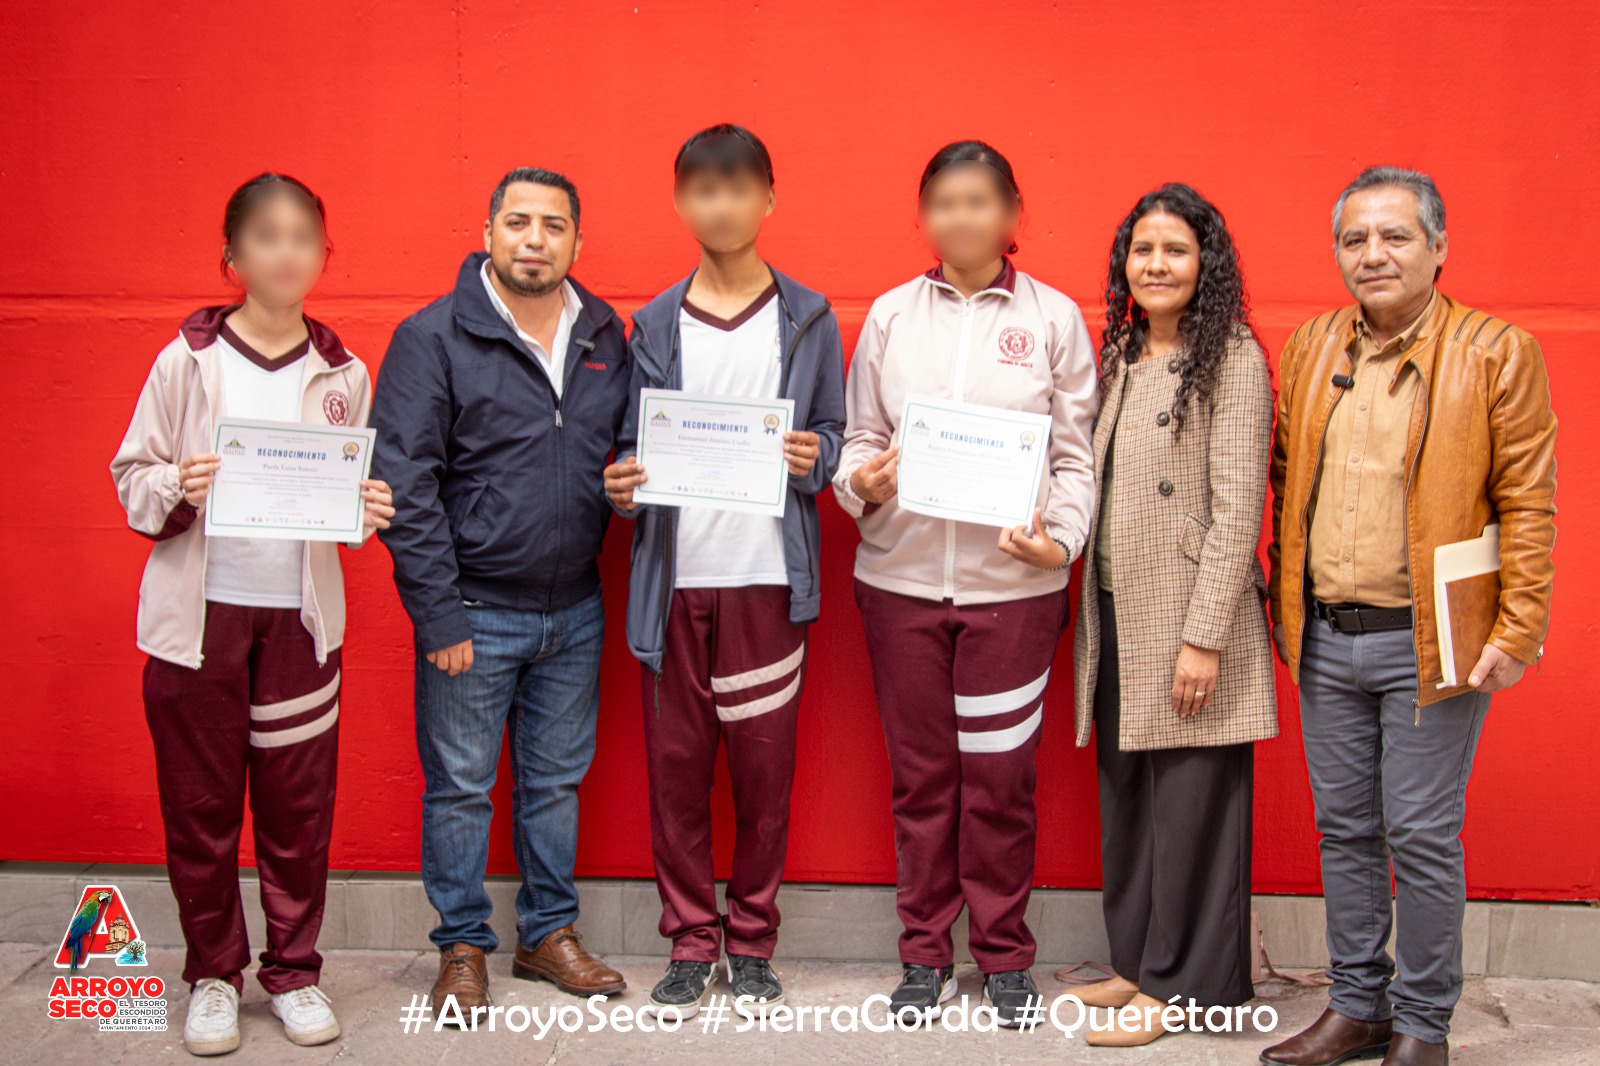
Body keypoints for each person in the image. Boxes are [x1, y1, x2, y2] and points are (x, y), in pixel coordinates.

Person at [1262, 166, 1557, 1066]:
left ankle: (1424, 1025)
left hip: (1433, 642)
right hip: (1324, 637)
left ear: (1437, 245)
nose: (1373, 254)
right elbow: (1284, 476)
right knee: (1345, 828)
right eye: (1355, 239)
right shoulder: (1315, 346)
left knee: (1422, 834)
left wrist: (1518, 628)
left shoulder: (1496, 352)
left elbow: (1529, 501)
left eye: (1394, 236)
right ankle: (1358, 1007)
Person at [111, 173, 393, 1056]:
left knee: (297, 809)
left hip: (299, 628)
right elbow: (132, 479)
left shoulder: (344, 371)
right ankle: (211, 975)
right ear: (232, 257)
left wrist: (362, 510)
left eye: (304, 237)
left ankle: (295, 972)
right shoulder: (185, 360)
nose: (286, 253)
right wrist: (176, 485)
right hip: (198, 626)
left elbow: (334, 502)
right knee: (199, 808)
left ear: (323, 254)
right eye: (266, 237)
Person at [831, 140, 1097, 1026]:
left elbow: (1074, 456)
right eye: (944, 201)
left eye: (980, 201)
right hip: (899, 587)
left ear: (1013, 214)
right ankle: (923, 955)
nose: (962, 217)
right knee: (921, 780)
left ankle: (1004, 954)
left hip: (1013, 598)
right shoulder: (892, 317)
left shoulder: (1054, 320)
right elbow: (859, 439)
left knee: (1000, 782)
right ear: (924, 215)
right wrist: (856, 482)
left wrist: (1060, 544)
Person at [372, 167, 630, 1016]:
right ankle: (461, 946)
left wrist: (631, 480)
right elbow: (405, 486)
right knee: (460, 788)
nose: (535, 240)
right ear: (487, 232)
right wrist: (439, 613)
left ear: (577, 243)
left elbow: (625, 443)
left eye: (554, 226)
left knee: (554, 785)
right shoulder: (432, 338)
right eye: (517, 222)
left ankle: (547, 934)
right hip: (473, 611)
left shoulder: (603, 333)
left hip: (576, 607)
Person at [602, 123, 845, 1017]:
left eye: (739, 186)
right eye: (704, 188)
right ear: (680, 203)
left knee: (764, 775)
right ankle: (688, 940)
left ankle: (750, 941)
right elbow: (629, 449)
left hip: (766, 580)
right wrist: (623, 487)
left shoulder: (808, 316)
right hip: (671, 581)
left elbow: (838, 442)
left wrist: (814, 457)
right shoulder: (654, 322)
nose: (722, 203)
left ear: (768, 199)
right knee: (676, 773)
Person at [1066, 183, 1277, 1047]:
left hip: (1191, 622)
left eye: (1176, 250)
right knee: (1131, 801)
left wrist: (1205, 639)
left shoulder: (1232, 357)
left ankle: (1189, 988)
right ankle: (1139, 965)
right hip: (1116, 612)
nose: (1156, 265)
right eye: (1143, 249)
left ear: (1206, 263)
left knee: (1194, 809)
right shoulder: (1119, 354)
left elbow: (1237, 510)